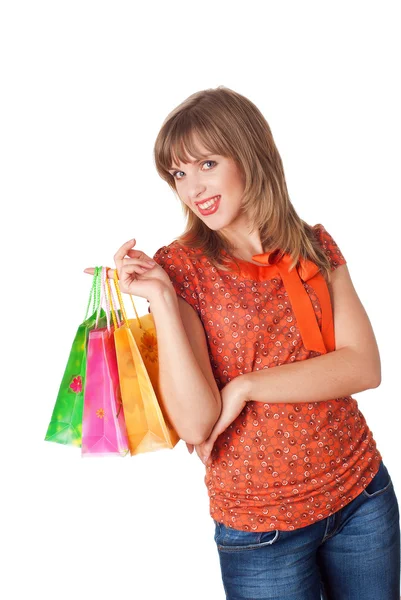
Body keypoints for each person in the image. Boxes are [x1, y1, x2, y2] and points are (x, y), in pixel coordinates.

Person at [84, 86, 401, 599]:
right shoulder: (182, 268)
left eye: (206, 163)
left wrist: (245, 387)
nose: (192, 188)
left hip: (362, 493)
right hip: (260, 528)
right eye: (178, 174)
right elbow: (195, 423)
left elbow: (364, 367)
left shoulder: (313, 245)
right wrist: (162, 301)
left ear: (249, 154)